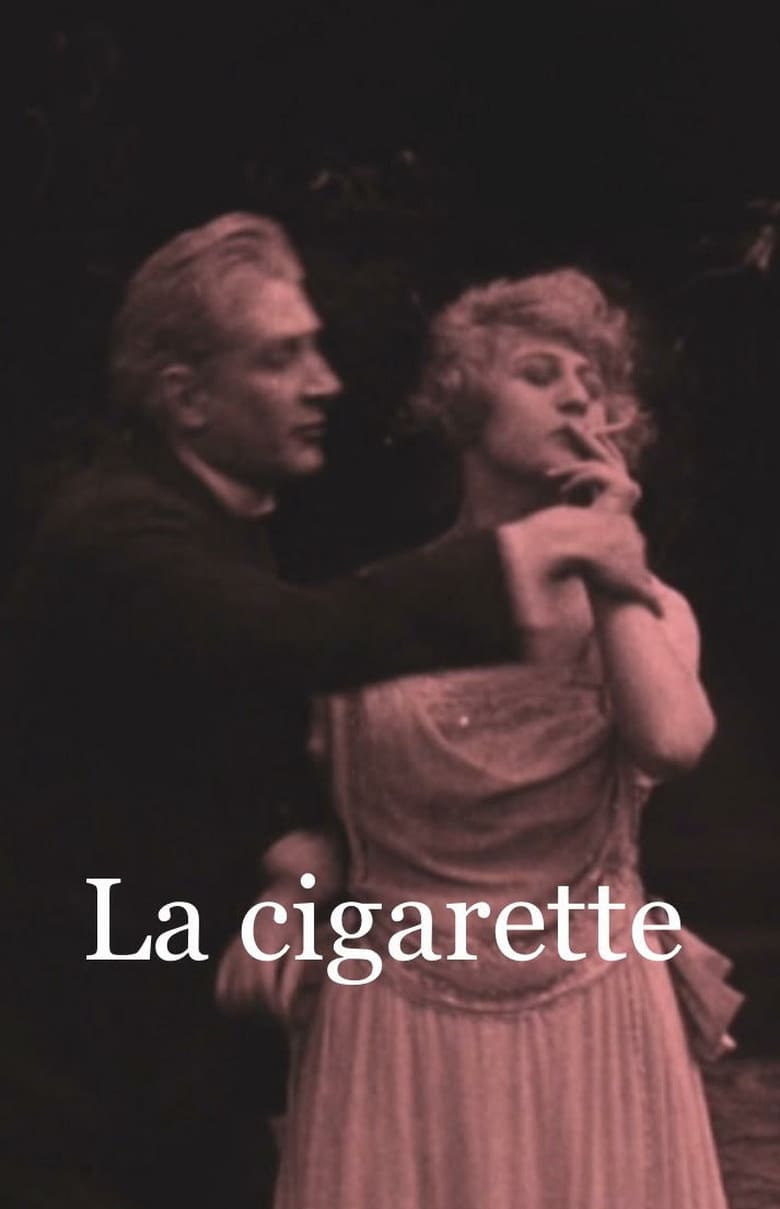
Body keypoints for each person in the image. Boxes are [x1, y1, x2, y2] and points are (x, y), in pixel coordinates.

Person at [0, 219, 654, 1209]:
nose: (324, 382)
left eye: (314, 348)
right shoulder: (116, 532)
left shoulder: (221, 521)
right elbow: (295, 639)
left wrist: (297, 854)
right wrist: (539, 550)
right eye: (281, 357)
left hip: (178, 1082)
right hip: (67, 1091)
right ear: (186, 396)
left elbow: (236, 733)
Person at [257, 270, 743, 1209]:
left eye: (591, 383)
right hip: (400, 1031)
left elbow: (672, 741)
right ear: (463, 399)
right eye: (539, 372)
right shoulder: (383, 606)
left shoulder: (645, 611)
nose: (576, 397)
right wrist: (294, 885)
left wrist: (606, 555)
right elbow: (323, 813)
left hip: (591, 1027)